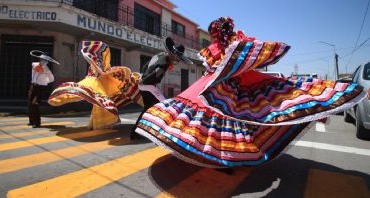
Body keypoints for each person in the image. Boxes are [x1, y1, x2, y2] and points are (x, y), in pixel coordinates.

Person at [133, 16, 366, 168]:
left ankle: (218, 157)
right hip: (228, 88)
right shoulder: (234, 47)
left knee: (216, 120)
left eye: (215, 32)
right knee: (234, 120)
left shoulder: (220, 50)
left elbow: (217, 66)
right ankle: (226, 158)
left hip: (213, 88)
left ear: (215, 33)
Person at [48, 41, 142, 130]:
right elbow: (96, 71)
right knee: (98, 105)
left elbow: (103, 71)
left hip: (102, 86)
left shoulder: (103, 66)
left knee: (99, 105)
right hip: (97, 85)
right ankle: (100, 124)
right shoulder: (95, 65)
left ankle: (100, 124)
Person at [130, 37, 193, 140]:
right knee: (166, 106)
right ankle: (163, 131)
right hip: (148, 85)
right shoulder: (164, 63)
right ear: (171, 54)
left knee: (148, 109)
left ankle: (137, 132)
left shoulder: (158, 55)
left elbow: (146, 65)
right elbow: (154, 74)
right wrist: (144, 80)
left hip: (145, 84)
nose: (176, 59)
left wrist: (142, 77)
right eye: (176, 57)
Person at [28, 50, 60, 128]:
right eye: (43, 60)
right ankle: (31, 121)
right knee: (29, 104)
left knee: (35, 104)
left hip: (40, 88)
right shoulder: (34, 64)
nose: (44, 61)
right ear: (40, 59)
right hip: (32, 86)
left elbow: (52, 79)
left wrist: (44, 82)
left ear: (47, 61)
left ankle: (37, 123)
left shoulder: (47, 70)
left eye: (46, 60)